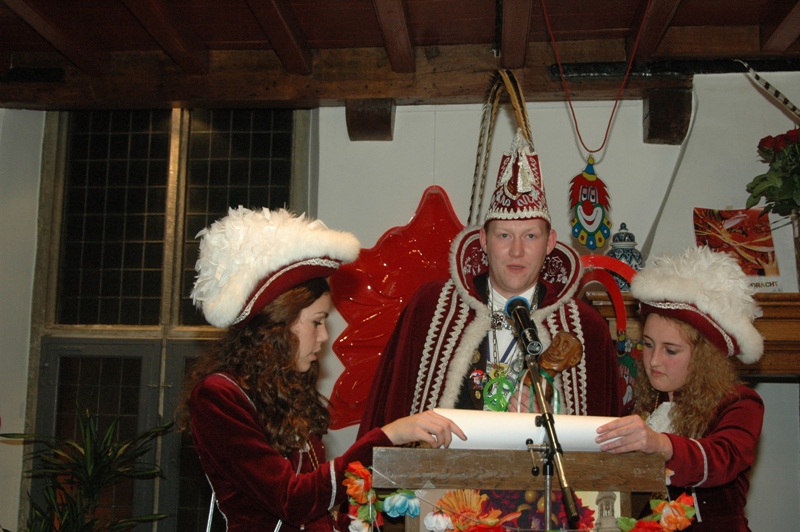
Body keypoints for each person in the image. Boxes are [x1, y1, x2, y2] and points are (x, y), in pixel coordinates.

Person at [176, 207, 465, 532]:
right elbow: (292, 500)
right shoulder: (218, 396)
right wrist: (388, 436)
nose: (325, 336)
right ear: (279, 325)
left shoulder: (285, 391)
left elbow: (318, 502)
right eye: (317, 322)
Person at [358, 130, 624, 439]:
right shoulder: (431, 308)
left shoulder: (586, 328)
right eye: (504, 235)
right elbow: (391, 412)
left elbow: (603, 440)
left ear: (550, 242)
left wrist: (554, 410)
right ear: (483, 240)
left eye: (531, 236)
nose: (516, 251)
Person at [595, 246, 765, 531]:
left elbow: (722, 458)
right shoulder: (643, 405)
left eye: (671, 350)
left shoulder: (741, 403)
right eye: (648, 345)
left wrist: (662, 445)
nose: (653, 360)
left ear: (704, 357)